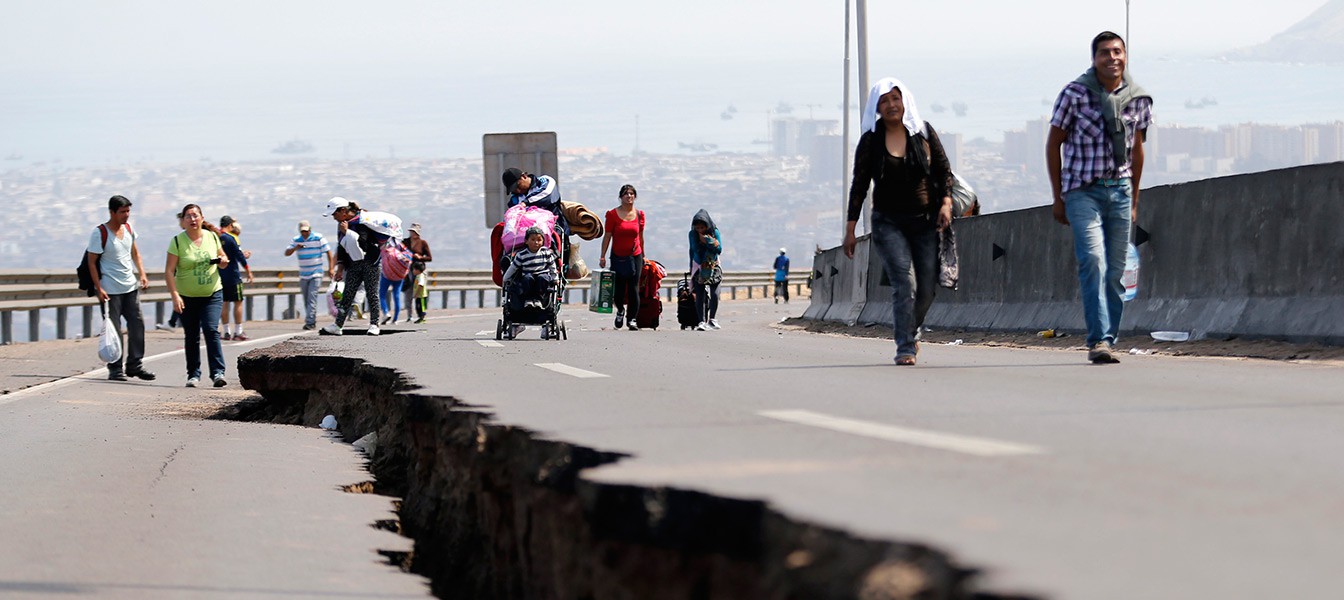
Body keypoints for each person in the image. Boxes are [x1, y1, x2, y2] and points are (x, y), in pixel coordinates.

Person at [1047, 31, 1153, 365]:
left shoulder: (1139, 98)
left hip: (1119, 190)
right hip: (1082, 191)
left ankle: (1110, 335)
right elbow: (1054, 144)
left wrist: (1134, 199)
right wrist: (1058, 197)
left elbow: (1137, 150)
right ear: (1094, 59)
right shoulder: (1075, 94)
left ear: (1126, 56)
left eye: (1118, 52)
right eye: (1105, 53)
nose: (1112, 58)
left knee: (1117, 271)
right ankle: (1099, 340)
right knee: (1092, 260)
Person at [844, 78, 955, 366]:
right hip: (888, 222)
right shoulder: (871, 140)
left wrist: (946, 202)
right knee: (904, 284)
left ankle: (912, 329)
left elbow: (944, 171)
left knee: (928, 288)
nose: (891, 105)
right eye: (884, 101)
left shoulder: (923, 132)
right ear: (876, 108)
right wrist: (850, 229)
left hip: (925, 221)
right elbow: (859, 184)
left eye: (896, 98)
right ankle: (905, 346)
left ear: (905, 101)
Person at [86, 195, 155, 382]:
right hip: (110, 290)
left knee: (137, 325)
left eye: (128, 211)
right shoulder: (100, 233)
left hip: (130, 287)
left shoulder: (129, 229)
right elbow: (91, 262)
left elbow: (135, 253)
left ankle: (135, 365)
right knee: (114, 330)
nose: (126, 215)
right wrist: (98, 288)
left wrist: (142, 273)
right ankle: (115, 369)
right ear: (112, 212)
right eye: (122, 212)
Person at [165, 204, 230, 387]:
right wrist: (175, 295)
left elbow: (222, 259)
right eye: (188, 216)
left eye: (195, 215)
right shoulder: (177, 241)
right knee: (192, 335)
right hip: (186, 295)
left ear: (202, 218)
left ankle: (218, 372)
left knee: (211, 329)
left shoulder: (212, 237)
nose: (192, 219)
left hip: (212, 292)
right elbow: (169, 271)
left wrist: (223, 261)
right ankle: (193, 374)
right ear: (183, 221)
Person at [321, 196, 384, 336]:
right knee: (347, 295)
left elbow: (364, 243)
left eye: (335, 214)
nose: (334, 218)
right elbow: (342, 248)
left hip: (370, 262)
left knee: (372, 294)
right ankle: (338, 325)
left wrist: (347, 232)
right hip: (354, 264)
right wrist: (340, 268)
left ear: (343, 210)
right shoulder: (342, 225)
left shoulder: (361, 221)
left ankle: (374, 324)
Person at [599, 184, 645, 331]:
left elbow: (640, 236)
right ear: (621, 197)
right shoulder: (612, 215)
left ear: (635, 196)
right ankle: (620, 310)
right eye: (626, 194)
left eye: (631, 194)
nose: (629, 196)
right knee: (618, 290)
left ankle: (632, 319)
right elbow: (607, 236)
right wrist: (603, 256)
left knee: (633, 288)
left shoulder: (639, 215)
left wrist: (643, 255)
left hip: (635, 256)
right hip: (618, 256)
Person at [284, 220, 334, 331]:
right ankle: (311, 319)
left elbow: (329, 252)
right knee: (306, 299)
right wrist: (295, 248)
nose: (305, 234)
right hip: (303, 274)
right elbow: (286, 253)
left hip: (316, 273)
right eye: (303, 232)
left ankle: (310, 322)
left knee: (312, 297)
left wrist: (330, 268)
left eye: (306, 231)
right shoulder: (296, 240)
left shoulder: (318, 238)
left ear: (310, 230)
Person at [502, 167, 569, 239]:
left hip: (554, 231)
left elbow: (548, 194)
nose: (518, 191)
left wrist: (526, 203)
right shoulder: (515, 200)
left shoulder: (544, 181)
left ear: (524, 176)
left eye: (518, 186)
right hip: (525, 237)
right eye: (514, 189)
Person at [502, 226, 559, 311]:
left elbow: (552, 267)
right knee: (526, 279)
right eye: (533, 240)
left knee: (542, 278)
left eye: (539, 240)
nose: (536, 242)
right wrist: (506, 278)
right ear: (526, 241)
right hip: (528, 276)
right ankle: (528, 300)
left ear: (543, 241)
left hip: (542, 275)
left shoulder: (546, 253)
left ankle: (539, 300)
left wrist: (555, 278)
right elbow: (513, 267)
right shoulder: (521, 255)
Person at [217, 215, 253, 341]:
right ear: (230, 225)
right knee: (238, 302)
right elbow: (239, 256)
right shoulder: (231, 238)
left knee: (224, 303)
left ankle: (226, 332)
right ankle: (238, 332)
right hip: (232, 275)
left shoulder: (215, 237)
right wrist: (248, 270)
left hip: (220, 276)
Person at [688, 209, 723, 331]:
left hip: (713, 264)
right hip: (698, 265)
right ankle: (701, 321)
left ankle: (712, 319)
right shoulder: (692, 234)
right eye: (697, 228)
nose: (700, 230)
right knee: (700, 295)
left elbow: (719, 249)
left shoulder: (715, 232)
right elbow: (694, 249)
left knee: (715, 293)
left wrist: (708, 241)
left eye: (702, 227)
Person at [401, 223, 432, 323]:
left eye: (414, 232)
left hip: (419, 270)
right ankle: (409, 315)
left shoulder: (423, 243)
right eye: (411, 231)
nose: (412, 233)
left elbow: (429, 258)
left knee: (419, 293)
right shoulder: (405, 242)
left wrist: (421, 258)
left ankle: (421, 314)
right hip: (408, 270)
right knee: (408, 292)